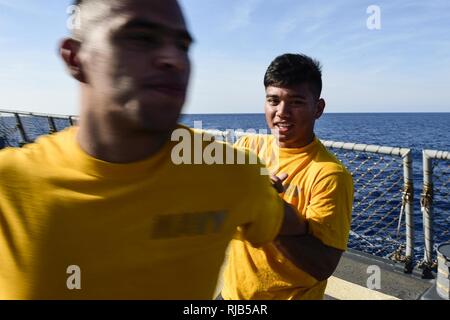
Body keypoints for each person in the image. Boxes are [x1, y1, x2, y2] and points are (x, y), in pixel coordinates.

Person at [0, 1, 304, 299]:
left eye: (183, 46)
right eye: (141, 38)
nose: (174, 59)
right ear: (76, 58)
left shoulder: (235, 174)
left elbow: (288, 224)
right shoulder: (10, 185)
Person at [220, 53, 354, 300]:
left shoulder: (330, 175)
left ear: (318, 108)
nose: (282, 112)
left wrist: (269, 210)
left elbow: (322, 265)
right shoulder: (248, 145)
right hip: (232, 295)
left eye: (296, 102)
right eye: (273, 100)